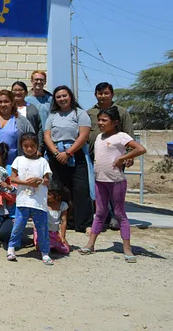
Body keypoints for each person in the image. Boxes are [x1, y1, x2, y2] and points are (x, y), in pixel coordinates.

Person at [80, 107, 146, 262]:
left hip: (116, 181)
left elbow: (140, 149)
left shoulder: (121, 136)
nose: (100, 123)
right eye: (99, 120)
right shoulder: (99, 137)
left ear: (115, 122)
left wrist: (123, 158)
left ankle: (127, 249)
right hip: (100, 181)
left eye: (104, 120)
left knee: (119, 213)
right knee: (100, 213)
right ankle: (91, 244)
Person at [43, 85, 93, 233]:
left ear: (70, 96)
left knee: (80, 188)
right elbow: (47, 136)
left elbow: (83, 136)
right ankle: (64, 220)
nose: (62, 99)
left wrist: (68, 153)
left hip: (76, 154)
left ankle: (83, 223)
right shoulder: (52, 116)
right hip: (56, 155)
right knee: (60, 189)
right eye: (58, 97)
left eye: (64, 95)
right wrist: (57, 153)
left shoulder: (80, 113)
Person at [86, 82, 135, 230]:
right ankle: (104, 217)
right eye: (100, 93)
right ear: (95, 95)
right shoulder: (89, 113)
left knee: (115, 189)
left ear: (112, 94)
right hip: (95, 157)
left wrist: (128, 156)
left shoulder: (122, 112)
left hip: (115, 159)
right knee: (100, 188)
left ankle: (116, 216)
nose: (103, 96)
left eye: (106, 93)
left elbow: (129, 133)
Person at [8, 132, 53, 265]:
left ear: (37, 146)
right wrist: (28, 183)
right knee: (18, 225)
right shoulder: (18, 160)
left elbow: (47, 180)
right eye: (25, 146)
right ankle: (12, 248)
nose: (29, 149)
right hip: (23, 201)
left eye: (32, 146)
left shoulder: (43, 162)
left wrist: (39, 180)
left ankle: (45, 252)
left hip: (39, 202)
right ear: (21, 146)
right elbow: (13, 178)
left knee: (42, 228)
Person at [43, 183, 70, 255]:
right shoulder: (43, 203)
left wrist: (63, 236)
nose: (46, 195)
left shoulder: (63, 205)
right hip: (43, 232)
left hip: (54, 232)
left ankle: (53, 244)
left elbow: (63, 221)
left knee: (66, 250)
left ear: (58, 196)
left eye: (49, 194)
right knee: (43, 248)